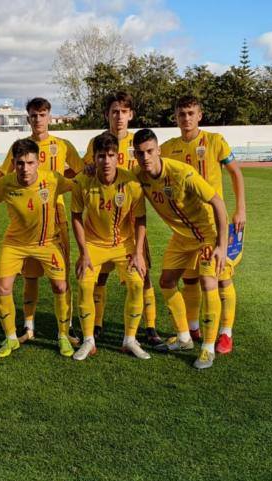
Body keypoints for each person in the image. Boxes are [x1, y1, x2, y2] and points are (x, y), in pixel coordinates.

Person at [133, 129, 228, 369]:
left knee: (208, 282)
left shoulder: (182, 173)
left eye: (150, 151)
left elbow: (217, 202)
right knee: (166, 282)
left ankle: (208, 348)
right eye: (140, 153)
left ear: (159, 150)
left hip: (205, 234)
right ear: (135, 155)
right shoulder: (138, 175)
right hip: (181, 237)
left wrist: (221, 245)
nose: (146, 157)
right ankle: (184, 337)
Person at [160, 95, 246, 354]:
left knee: (221, 279)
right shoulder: (168, 148)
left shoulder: (215, 141)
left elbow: (235, 172)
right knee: (189, 279)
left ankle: (225, 333)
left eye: (191, 113)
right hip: (187, 226)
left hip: (213, 223)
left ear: (200, 115)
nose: (186, 118)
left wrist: (240, 209)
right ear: (175, 117)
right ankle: (194, 327)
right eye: (181, 114)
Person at [0, 98, 83, 343]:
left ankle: (66, 328)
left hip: (56, 219)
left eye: (42, 114)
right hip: (26, 220)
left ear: (49, 117)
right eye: (34, 115)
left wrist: (59, 178)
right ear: (28, 118)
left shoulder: (62, 144)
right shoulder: (18, 147)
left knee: (61, 278)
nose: (38, 119)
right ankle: (28, 325)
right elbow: (3, 176)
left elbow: (79, 172)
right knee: (30, 276)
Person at [83, 92, 160, 346]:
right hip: (102, 223)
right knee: (100, 276)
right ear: (107, 114)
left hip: (131, 221)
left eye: (123, 112)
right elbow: (87, 169)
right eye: (114, 111)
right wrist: (88, 168)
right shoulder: (96, 142)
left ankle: (150, 327)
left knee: (143, 274)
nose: (119, 116)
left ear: (131, 115)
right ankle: (97, 324)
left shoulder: (137, 141)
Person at [0, 139, 75, 358]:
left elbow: (77, 184)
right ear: (14, 163)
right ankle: (11, 338)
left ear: (38, 162)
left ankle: (63, 335)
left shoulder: (52, 179)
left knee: (61, 286)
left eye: (30, 163)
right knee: (3, 288)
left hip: (47, 243)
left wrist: (92, 172)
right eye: (20, 163)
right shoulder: (5, 184)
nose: (25, 168)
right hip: (15, 244)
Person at [71, 132, 150, 361]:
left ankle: (130, 340)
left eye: (111, 155)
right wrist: (83, 253)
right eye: (101, 156)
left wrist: (138, 253)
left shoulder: (131, 183)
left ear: (118, 157)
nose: (106, 161)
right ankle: (88, 340)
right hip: (93, 244)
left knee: (137, 282)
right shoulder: (83, 181)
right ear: (94, 158)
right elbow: (76, 216)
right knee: (85, 283)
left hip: (123, 244)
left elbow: (141, 219)